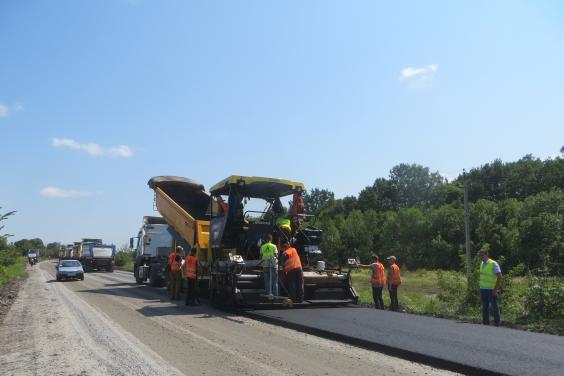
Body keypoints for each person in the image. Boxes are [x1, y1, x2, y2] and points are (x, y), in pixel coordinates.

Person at [478, 248, 502, 326]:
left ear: (486, 255)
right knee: (485, 307)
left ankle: (497, 323)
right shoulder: (482, 264)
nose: (480, 257)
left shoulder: (493, 263)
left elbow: (500, 276)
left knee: (494, 307)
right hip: (483, 289)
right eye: (480, 256)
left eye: (482, 255)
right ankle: (485, 323)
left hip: (491, 289)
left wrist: (495, 289)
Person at [260, 234, 278, 299]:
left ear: (266, 240)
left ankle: (268, 297)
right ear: (271, 239)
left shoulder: (262, 246)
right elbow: (276, 255)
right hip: (273, 265)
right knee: (274, 282)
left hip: (265, 265)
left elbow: (261, 255)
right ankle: (275, 297)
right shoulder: (274, 246)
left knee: (267, 282)